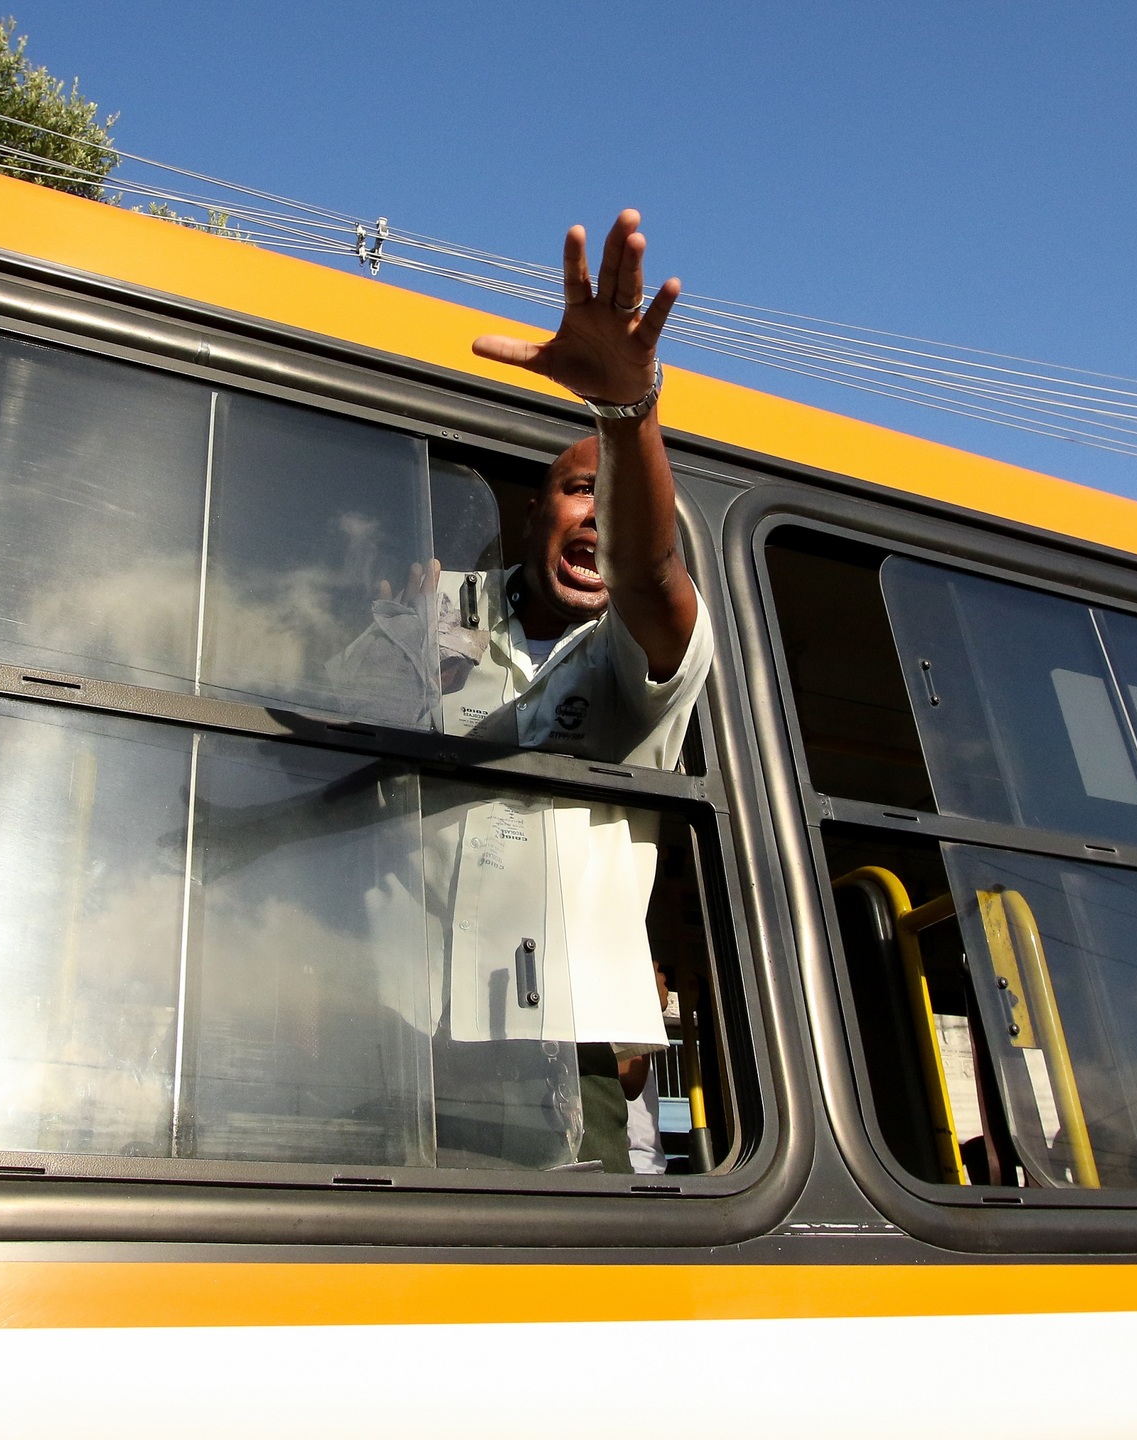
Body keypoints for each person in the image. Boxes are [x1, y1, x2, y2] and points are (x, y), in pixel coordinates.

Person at [423, 210, 714, 1171]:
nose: (596, 515)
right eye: (576, 491)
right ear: (534, 509)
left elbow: (649, 575)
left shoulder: (642, 659)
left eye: (615, 496)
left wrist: (626, 412)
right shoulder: (430, 611)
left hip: (565, 1064)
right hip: (391, 1037)